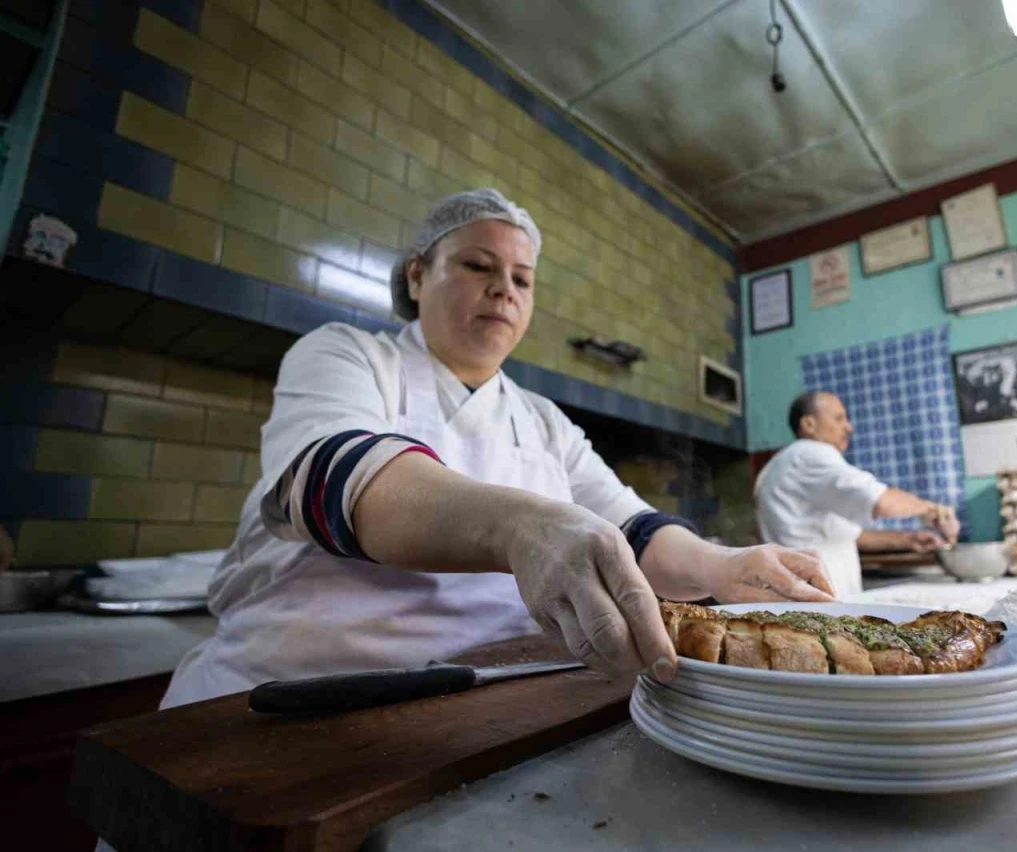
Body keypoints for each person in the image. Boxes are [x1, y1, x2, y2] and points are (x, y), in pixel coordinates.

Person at [160, 189, 833, 710]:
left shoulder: (541, 420)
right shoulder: (348, 355)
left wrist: (726, 567)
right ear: (418, 276)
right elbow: (335, 480)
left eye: (522, 278)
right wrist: (519, 525)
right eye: (478, 266)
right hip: (290, 701)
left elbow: (631, 528)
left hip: (486, 701)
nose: (503, 289)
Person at [754, 390, 961, 599]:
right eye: (838, 418)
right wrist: (933, 509)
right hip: (820, 599)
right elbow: (881, 501)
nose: (848, 426)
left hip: (809, 597)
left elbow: (850, 535)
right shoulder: (810, 453)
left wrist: (908, 540)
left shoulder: (777, 467)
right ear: (809, 424)